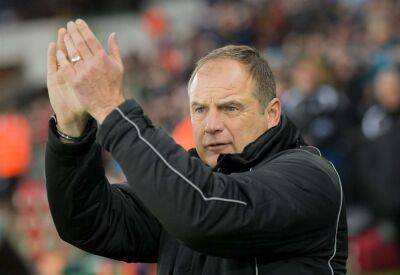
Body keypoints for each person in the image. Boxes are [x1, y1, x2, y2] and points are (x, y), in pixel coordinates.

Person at [45, 19, 347, 274]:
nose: (211, 124)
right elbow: (86, 220)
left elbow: (205, 212)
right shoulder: (186, 187)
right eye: (200, 109)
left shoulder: (309, 177)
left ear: (272, 113)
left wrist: (113, 109)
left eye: (230, 108)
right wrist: (71, 131)